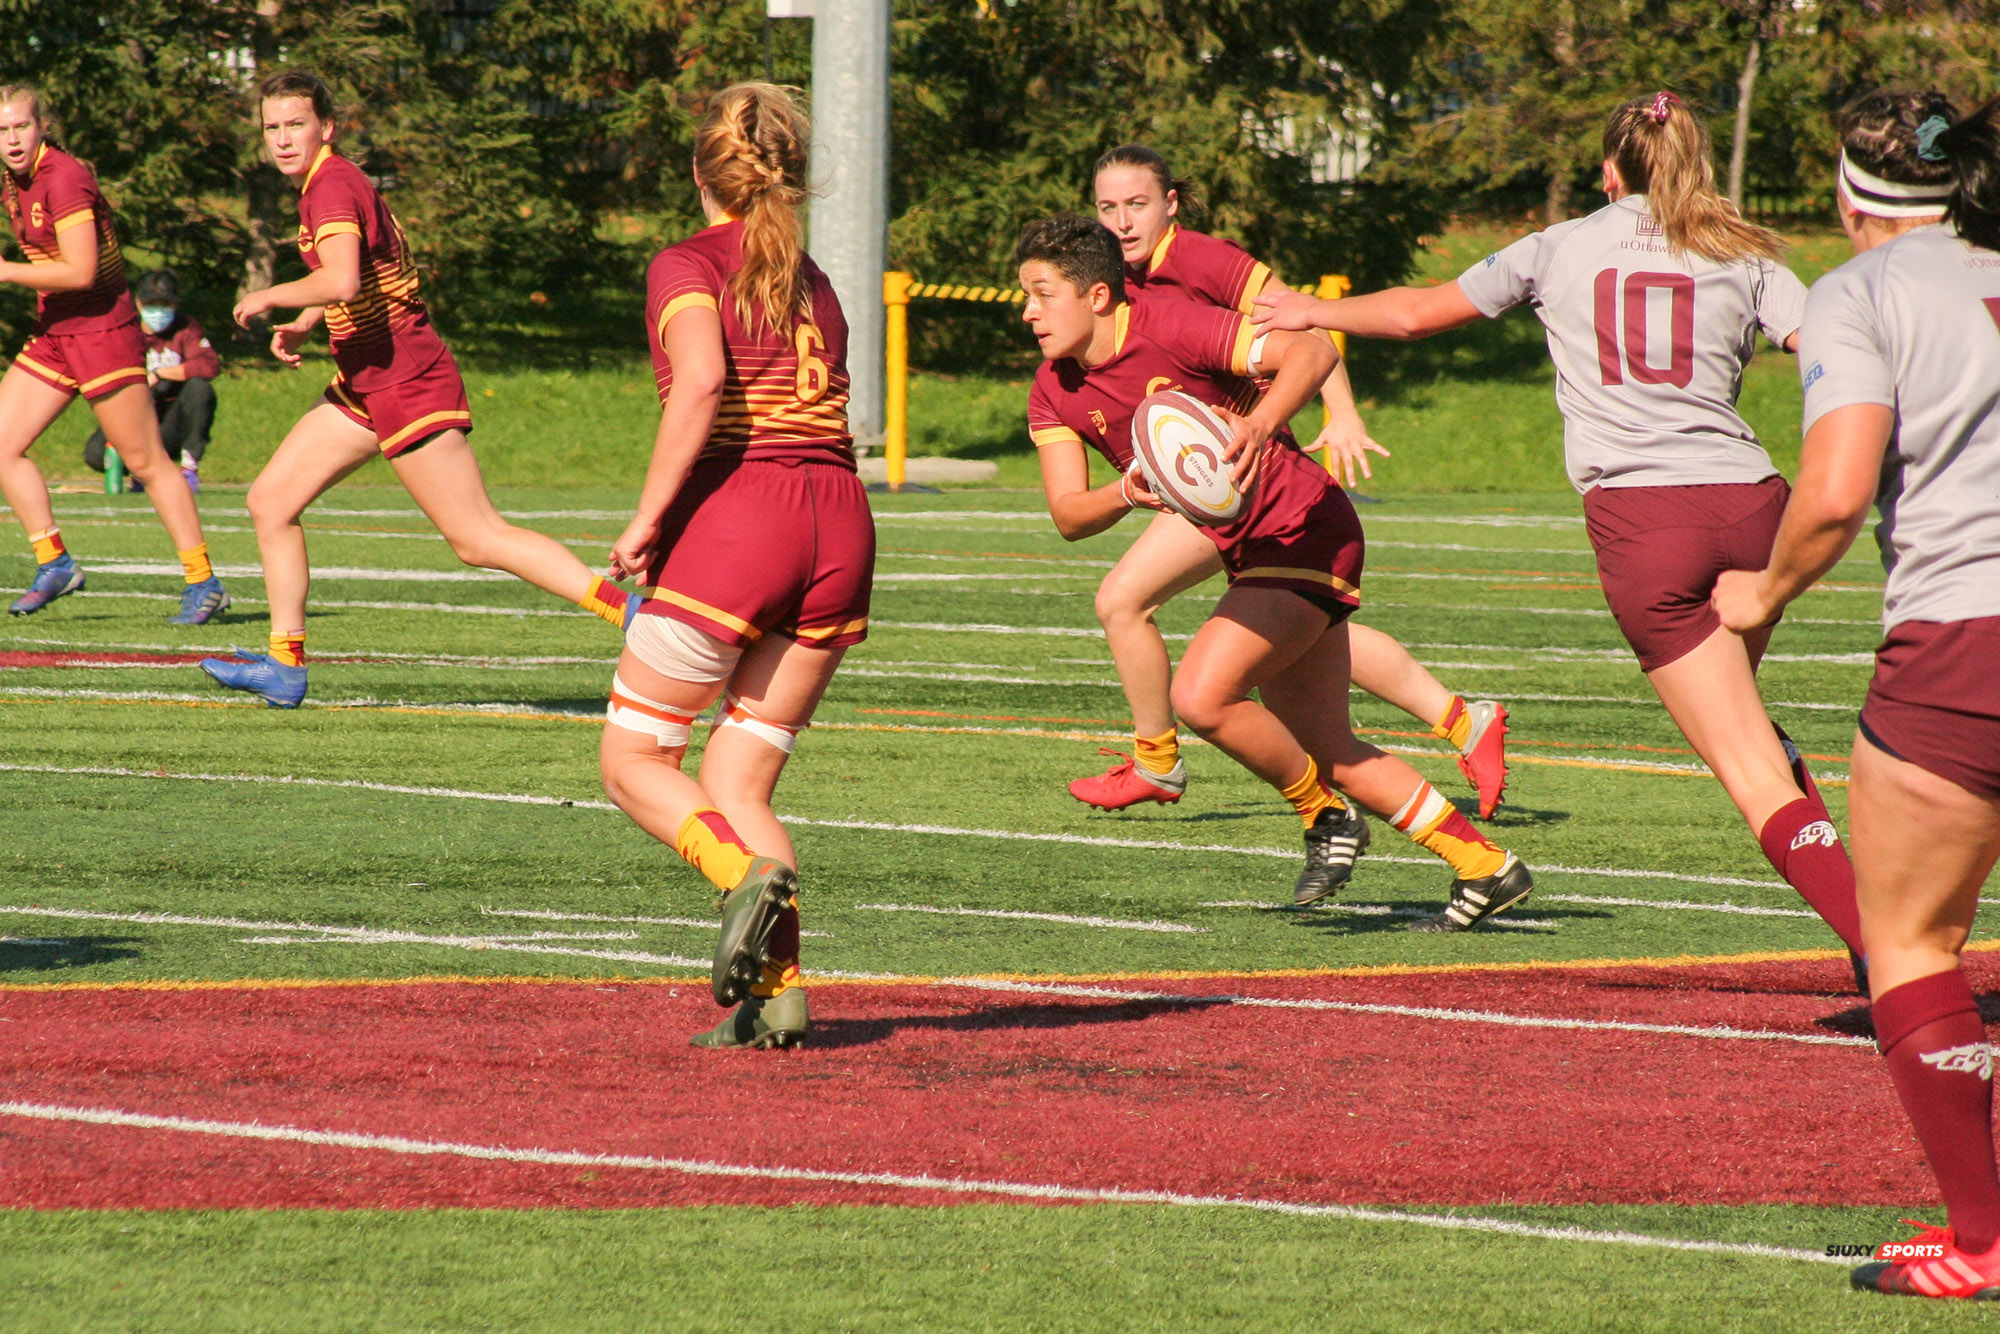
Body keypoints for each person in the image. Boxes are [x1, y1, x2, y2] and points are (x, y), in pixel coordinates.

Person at [1254, 92, 1866, 969]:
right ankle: (1867, 917)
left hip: (1648, 521)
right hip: (1752, 503)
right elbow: (1828, 356)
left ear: (1609, 170)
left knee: (1749, 768)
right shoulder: (1748, 251)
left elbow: (1415, 314)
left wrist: (1311, 309)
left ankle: (1881, 947)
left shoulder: (1562, 243)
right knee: (1748, 729)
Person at [1021, 213, 1531, 928]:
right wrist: (1127, 492)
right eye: (1026, 295)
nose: (1028, 311)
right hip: (1252, 551)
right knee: (1331, 744)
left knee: (1202, 697)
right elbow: (1071, 516)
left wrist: (1259, 424)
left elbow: (1313, 353)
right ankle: (1486, 867)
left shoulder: (1173, 324)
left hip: (1305, 527)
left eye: (1043, 293)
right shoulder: (1052, 389)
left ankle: (1324, 815)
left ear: (1098, 295)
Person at [1713, 90, 2000, 1302]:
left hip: (1962, 640)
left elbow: (1830, 493)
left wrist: (1756, 590)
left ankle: (1982, 1242)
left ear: (1844, 195)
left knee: (1909, 939)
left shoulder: (1856, 290)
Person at [1067, 145, 1510, 824]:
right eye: (1107, 208)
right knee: (1296, 628)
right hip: (1213, 469)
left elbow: (1299, 323)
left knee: (1125, 599)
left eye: (1137, 205)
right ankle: (1462, 719)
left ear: (1171, 204)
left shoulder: (1202, 259)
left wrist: (1342, 409)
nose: (1122, 221)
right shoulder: (1115, 277)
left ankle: (1158, 762)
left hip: (1243, 466)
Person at [200, 70, 634, 709]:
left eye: (296, 124)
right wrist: (306, 318)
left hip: (406, 374)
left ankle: (637, 617)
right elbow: (360, 273)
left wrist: (269, 295)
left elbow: (343, 279)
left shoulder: (332, 185)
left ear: (327, 127)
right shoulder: (329, 184)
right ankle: (284, 664)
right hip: (368, 378)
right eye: (272, 127)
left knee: (477, 538)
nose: (283, 138)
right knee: (270, 501)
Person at [599, 82, 873, 1049]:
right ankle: (782, 993)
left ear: (698, 172)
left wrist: (645, 519)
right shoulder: (816, 275)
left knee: (636, 761)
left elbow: (707, 382)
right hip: (840, 525)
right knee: (742, 782)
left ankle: (739, 878)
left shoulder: (687, 262)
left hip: (742, 521)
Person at [0, 86, 228, 623]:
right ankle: (54, 562)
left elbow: (79, 272)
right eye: (2, 130)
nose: (11, 139)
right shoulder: (15, 180)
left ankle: (204, 581)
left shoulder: (65, 177)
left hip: (103, 331)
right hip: (58, 331)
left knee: (146, 461)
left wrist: (5, 271)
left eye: (20, 127)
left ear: (42, 126)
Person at [84, 269, 218, 494]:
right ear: (138, 302)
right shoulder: (124, 330)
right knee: (96, 455)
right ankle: (139, 470)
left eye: (165, 304)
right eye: (152, 303)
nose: (159, 310)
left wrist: (161, 374)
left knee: (200, 388)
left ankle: (188, 469)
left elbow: (208, 365)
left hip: (173, 421)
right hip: (133, 414)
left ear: (176, 305)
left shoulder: (186, 328)